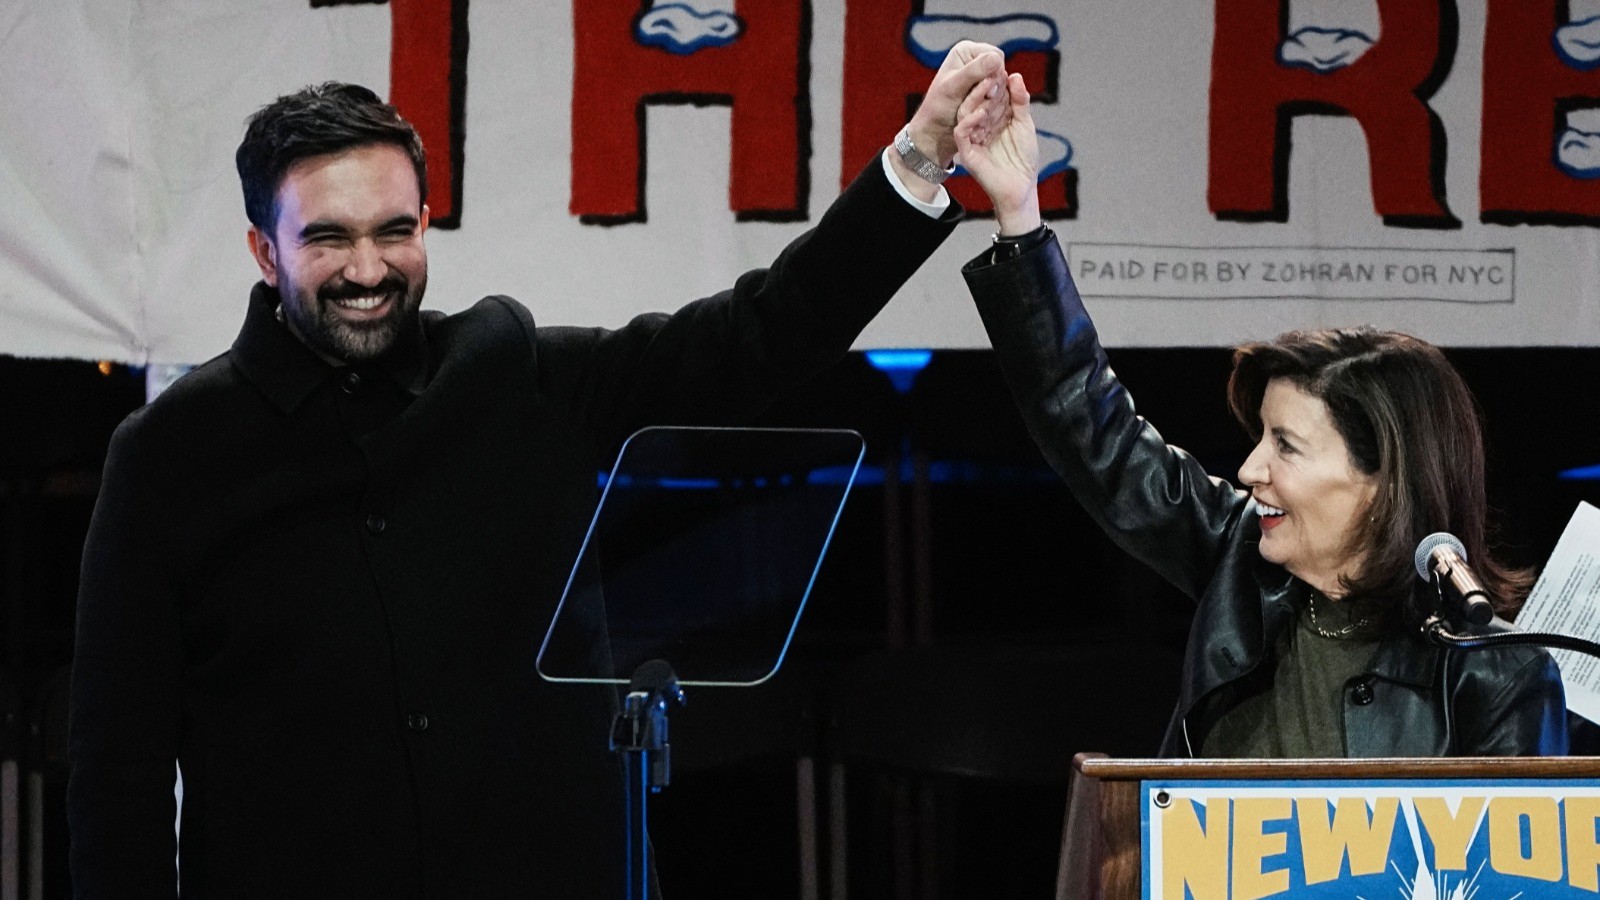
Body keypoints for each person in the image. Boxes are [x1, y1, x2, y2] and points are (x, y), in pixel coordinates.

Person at [68, 45, 1013, 898]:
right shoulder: (169, 452)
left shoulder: (513, 373)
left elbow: (760, 336)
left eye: (393, 230)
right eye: (327, 238)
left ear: (427, 222)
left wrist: (919, 161)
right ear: (264, 251)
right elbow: (118, 772)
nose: (368, 268)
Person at [951, 71, 1568, 757]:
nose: (1250, 470)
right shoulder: (1239, 565)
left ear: (1383, 481)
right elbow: (1090, 424)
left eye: (1287, 445)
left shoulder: (1497, 676)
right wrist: (1019, 214)